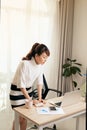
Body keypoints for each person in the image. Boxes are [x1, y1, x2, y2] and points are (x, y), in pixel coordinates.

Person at [9, 43, 50, 130]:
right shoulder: (24, 64)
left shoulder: (40, 66)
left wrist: (40, 98)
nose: (45, 60)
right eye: (43, 57)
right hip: (17, 93)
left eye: (46, 58)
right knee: (19, 118)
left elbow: (40, 83)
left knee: (25, 117)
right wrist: (31, 100)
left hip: (28, 92)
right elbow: (21, 85)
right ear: (36, 55)